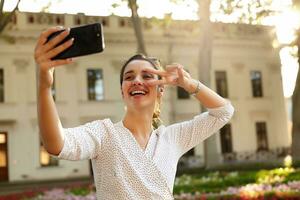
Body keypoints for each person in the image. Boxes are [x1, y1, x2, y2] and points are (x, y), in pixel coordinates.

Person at [34, 26, 234, 200]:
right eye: (129, 77)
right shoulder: (104, 134)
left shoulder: (171, 138)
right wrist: (45, 85)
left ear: (160, 89)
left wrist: (188, 84)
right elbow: (56, 144)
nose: (137, 80)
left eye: (147, 76)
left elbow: (224, 112)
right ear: (123, 90)